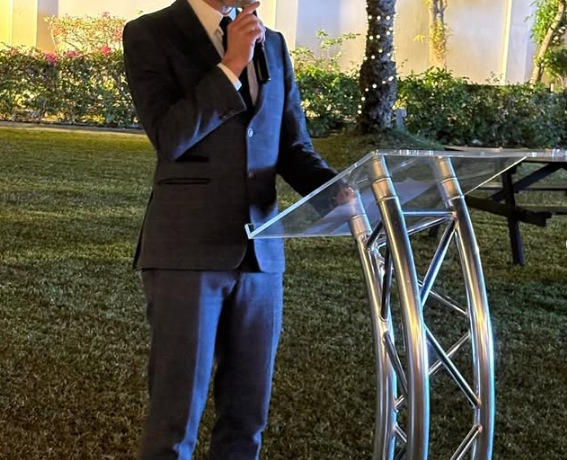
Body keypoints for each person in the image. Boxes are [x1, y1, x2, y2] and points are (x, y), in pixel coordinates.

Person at [122, 0, 338, 459]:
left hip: (262, 254)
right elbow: (170, 137)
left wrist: (337, 192)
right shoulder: (150, 33)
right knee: (175, 419)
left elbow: (292, 146)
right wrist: (232, 64)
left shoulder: (272, 43)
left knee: (247, 419)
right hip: (187, 250)